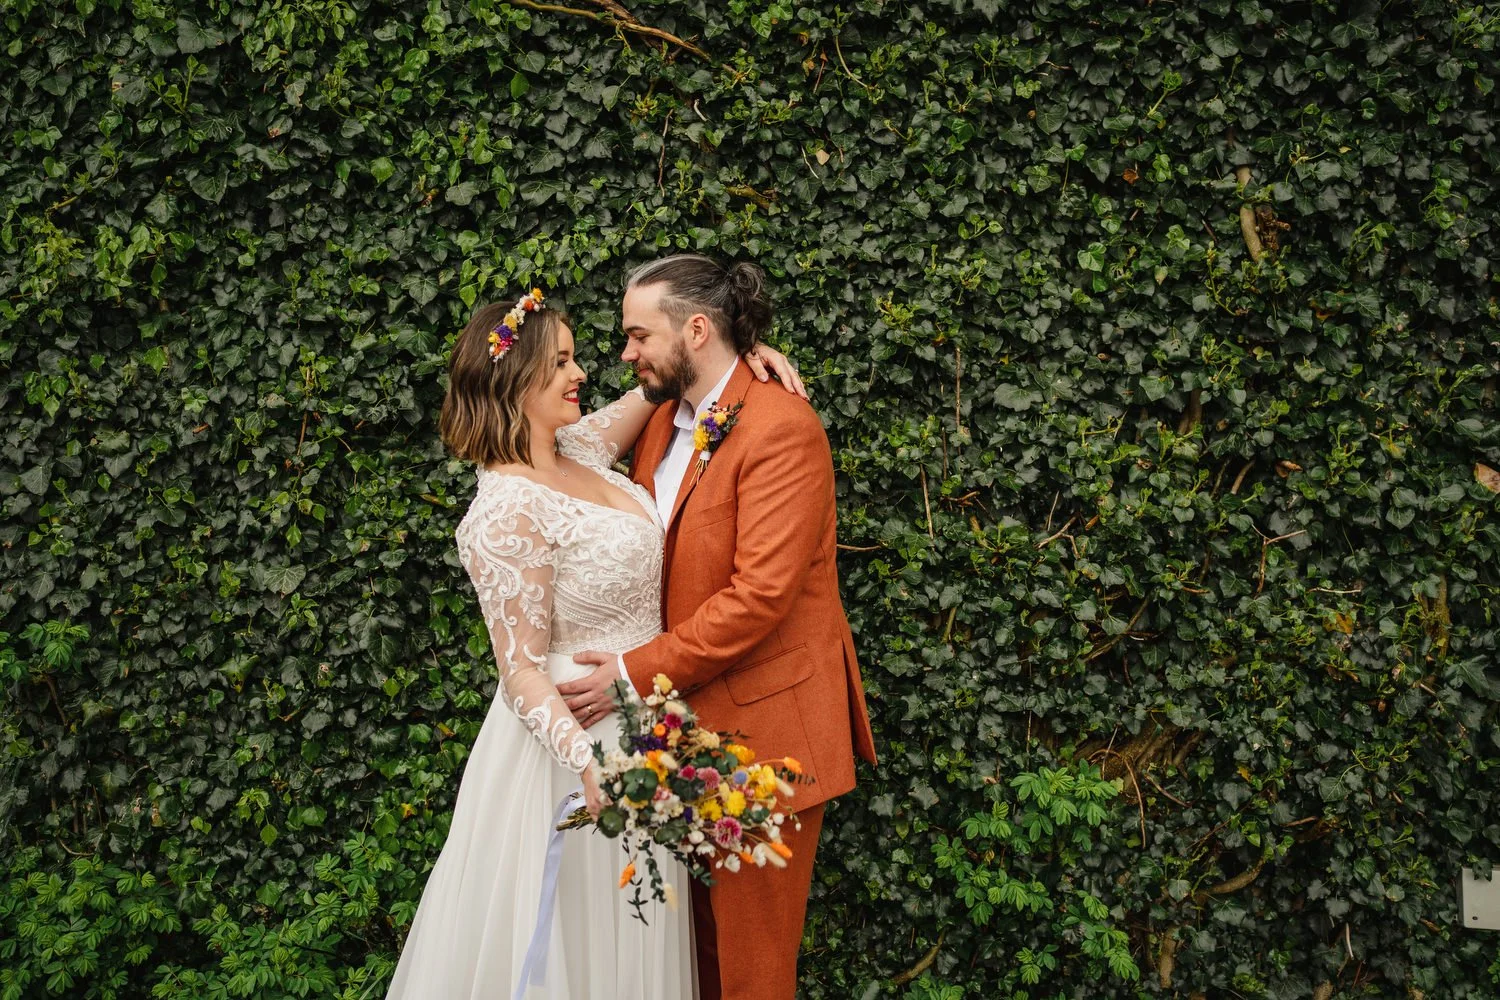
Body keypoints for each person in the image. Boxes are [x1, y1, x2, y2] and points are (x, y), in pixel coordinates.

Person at [384, 287, 805, 1000]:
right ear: (515, 381)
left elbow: (673, 382)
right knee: (569, 947)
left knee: (634, 949)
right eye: (563, 363)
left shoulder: (578, 447)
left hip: (644, 724)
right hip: (569, 750)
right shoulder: (504, 510)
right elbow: (518, 670)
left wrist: (737, 362)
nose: (583, 374)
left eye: (577, 357)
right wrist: (587, 764)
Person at [559, 256, 878, 1000]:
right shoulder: (661, 422)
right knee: (689, 959)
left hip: (768, 744)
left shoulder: (782, 429)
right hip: (673, 739)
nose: (625, 353)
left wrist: (631, 675)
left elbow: (760, 597)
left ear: (696, 329)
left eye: (638, 335)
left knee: (751, 971)